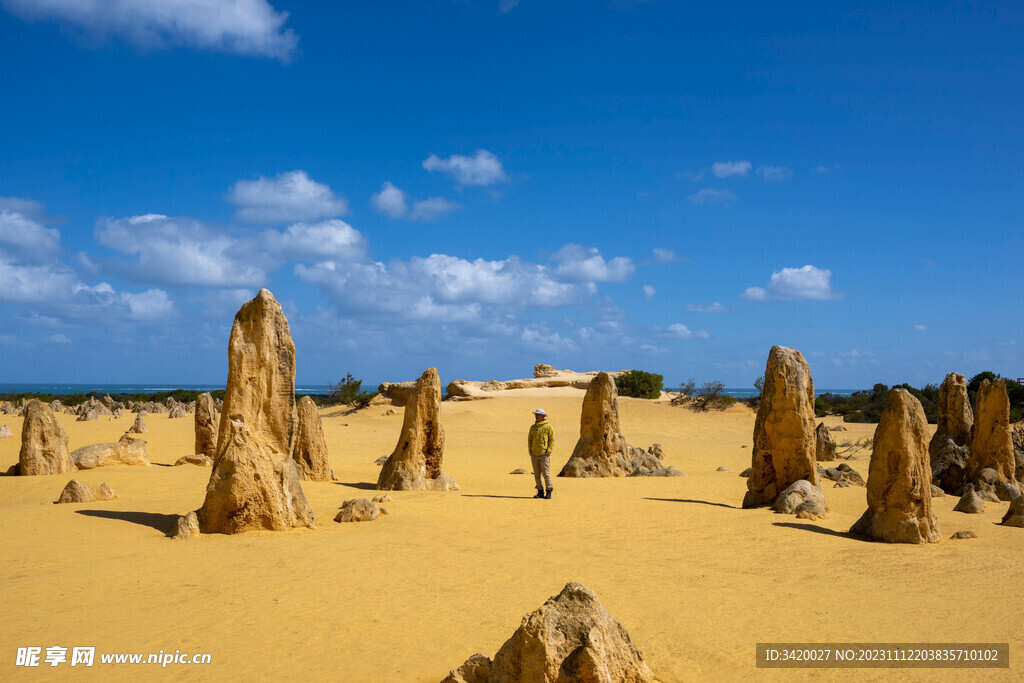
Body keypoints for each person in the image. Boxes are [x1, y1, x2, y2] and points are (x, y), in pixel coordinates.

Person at [528, 408, 555, 499]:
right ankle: (540, 492)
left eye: (538, 415)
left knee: (546, 474)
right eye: (536, 414)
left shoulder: (548, 427)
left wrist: (548, 452)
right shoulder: (533, 427)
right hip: (534, 454)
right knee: (537, 475)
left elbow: (552, 440)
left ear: (543, 416)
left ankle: (549, 491)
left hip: (544, 455)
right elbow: (530, 439)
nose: (536, 416)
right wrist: (530, 451)